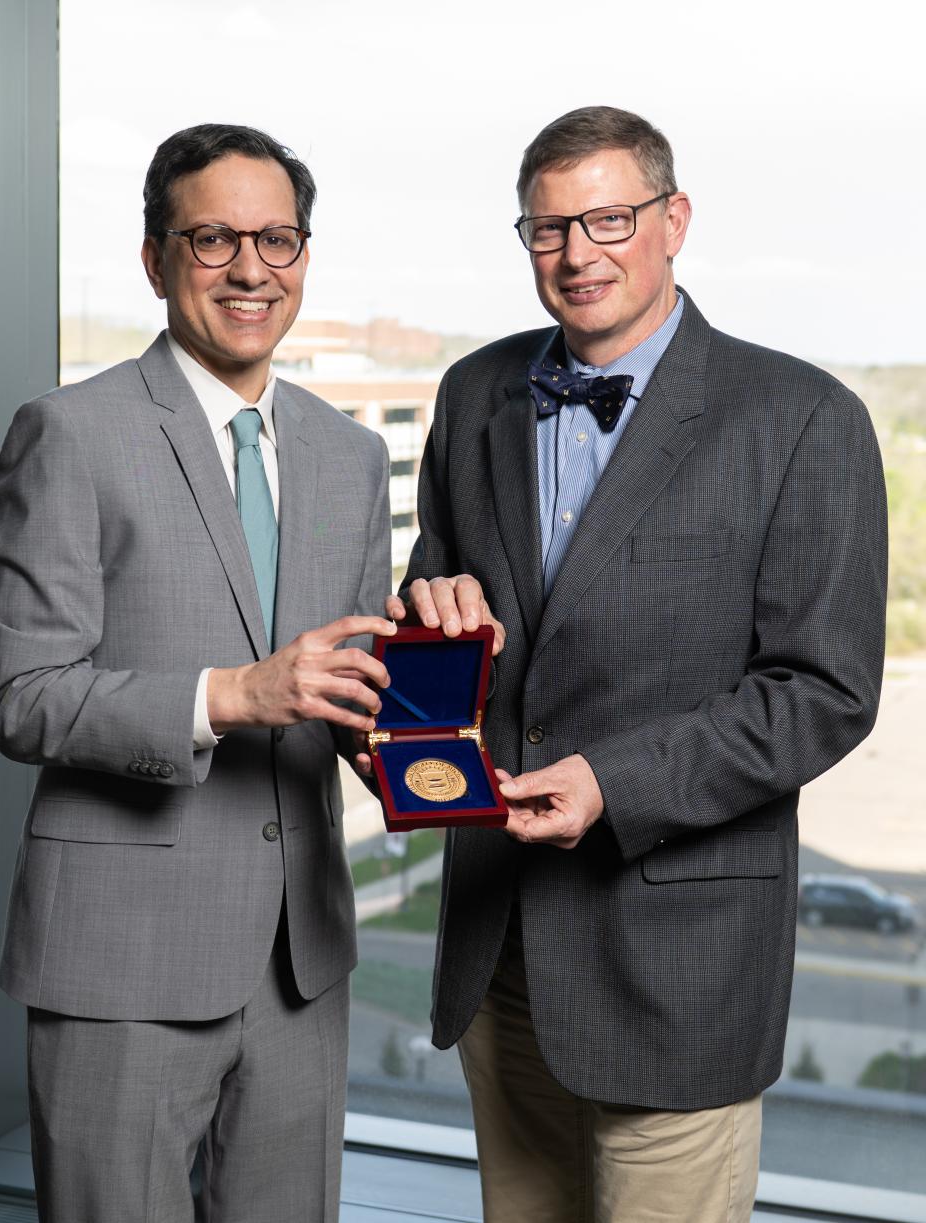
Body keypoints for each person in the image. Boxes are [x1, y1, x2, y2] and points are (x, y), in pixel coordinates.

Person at [393, 106, 887, 1223]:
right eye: (547, 228)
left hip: (676, 966)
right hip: (498, 952)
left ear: (673, 221)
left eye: (608, 218)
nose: (577, 254)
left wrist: (617, 783)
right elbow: (439, 581)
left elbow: (823, 690)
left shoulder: (803, 417)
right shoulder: (475, 391)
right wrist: (431, 605)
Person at [0, 123, 396, 1223]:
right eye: (213, 239)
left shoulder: (351, 455)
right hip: (119, 957)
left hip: (299, 959)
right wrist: (228, 694)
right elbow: (20, 696)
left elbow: (344, 693)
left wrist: (429, 738)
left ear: (305, 254)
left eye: (277, 239)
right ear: (156, 257)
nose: (250, 268)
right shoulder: (68, 434)